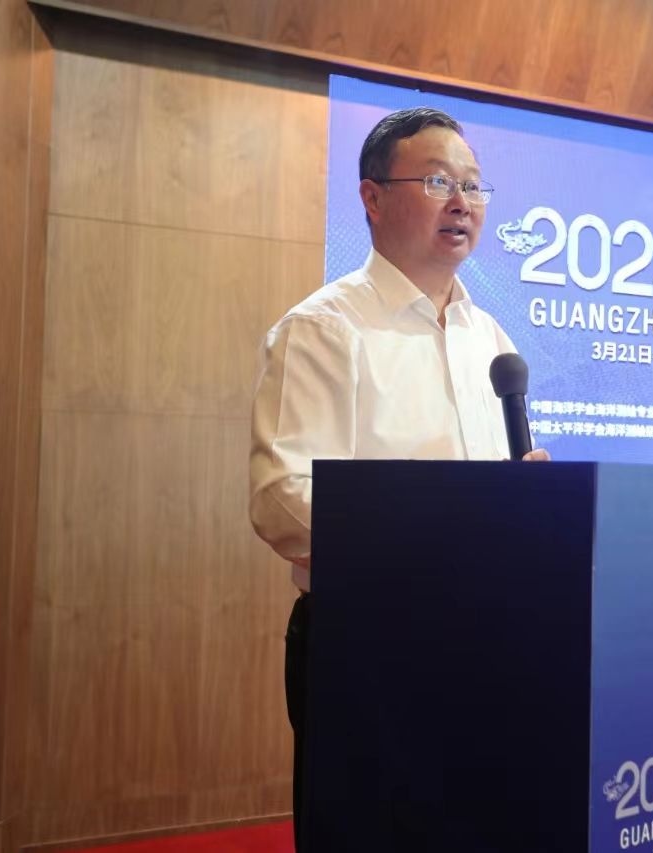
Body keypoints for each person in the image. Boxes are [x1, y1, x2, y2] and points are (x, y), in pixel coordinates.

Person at [247, 106, 548, 851]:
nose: (462, 202)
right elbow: (282, 499)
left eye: (473, 186)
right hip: (366, 644)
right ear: (372, 198)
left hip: (485, 635)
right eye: (439, 181)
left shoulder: (490, 337)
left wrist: (525, 499)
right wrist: (436, 533)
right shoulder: (324, 329)